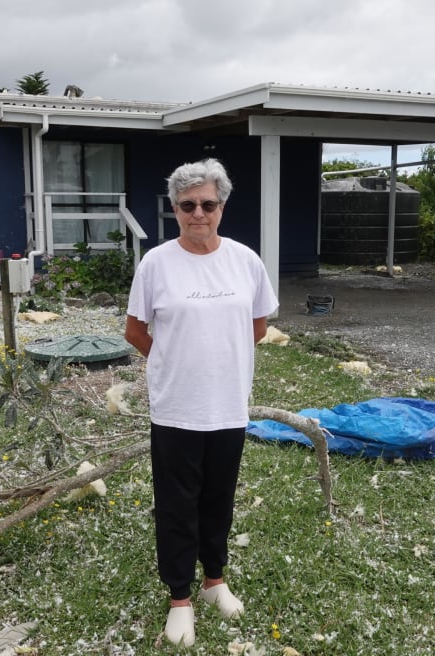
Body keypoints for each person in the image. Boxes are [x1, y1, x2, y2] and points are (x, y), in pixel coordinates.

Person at [124, 158, 279, 647]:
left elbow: (257, 326)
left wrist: (217, 364)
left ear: (222, 207)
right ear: (174, 210)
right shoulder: (156, 264)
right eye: (187, 205)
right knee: (175, 505)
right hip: (175, 408)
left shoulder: (245, 261)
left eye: (207, 204)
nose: (198, 213)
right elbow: (135, 331)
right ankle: (179, 598)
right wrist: (176, 362)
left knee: (219, 499)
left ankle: (215, 580)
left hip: (228, 405)